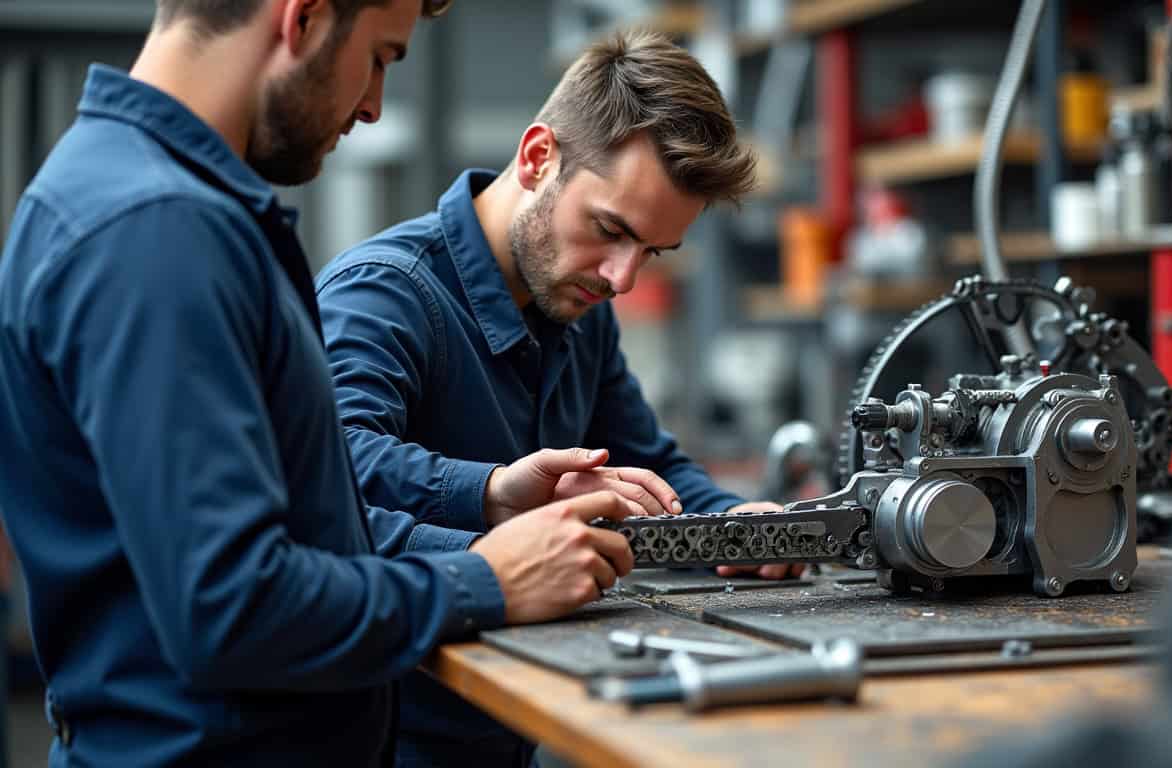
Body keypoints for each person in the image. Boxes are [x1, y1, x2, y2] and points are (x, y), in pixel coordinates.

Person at [0, 2, 642, 765]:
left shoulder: (158, 204)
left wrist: (487, 502)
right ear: (300, 19)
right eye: (379, 57)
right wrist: (483, 581)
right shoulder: (158, 231)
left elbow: (304, 527)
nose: (372, 105)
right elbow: (231, 607)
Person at [315, 29, 801, 766]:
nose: (623, 278)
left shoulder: (581, 308)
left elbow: (646, 458)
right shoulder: (384, 296)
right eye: (610, 230)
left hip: (510, 728)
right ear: (540, 157)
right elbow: (329, 473)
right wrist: (490, 495)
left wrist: (737, 528)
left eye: (653, 252)